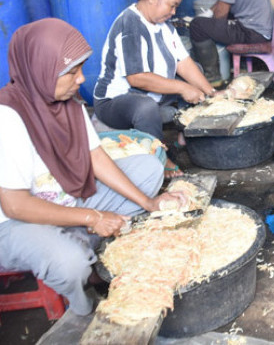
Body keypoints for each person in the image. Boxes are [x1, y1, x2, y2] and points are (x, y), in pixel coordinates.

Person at [0, 18, 184, 316]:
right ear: (41, 71)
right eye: (72, 72)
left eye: (81, 69)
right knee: (70, 264)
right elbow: (15, 206)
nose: (82, 79)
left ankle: (79, 234)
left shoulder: (67, 103)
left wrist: (149, 203)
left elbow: (96, 157)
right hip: (16, 223)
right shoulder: (8, 117)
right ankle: (82, 309)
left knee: (149, 169)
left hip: (66, 194)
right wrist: (93, 216)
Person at [93, 0, 217, 178]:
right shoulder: (130, 24)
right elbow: (137, 77)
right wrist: (182, 88)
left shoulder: (164, 25)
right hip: (115, 103)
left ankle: (184, 134)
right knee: (146, 107)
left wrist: (211, 92)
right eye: (172, 5)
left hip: (154, 96)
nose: (174, 11)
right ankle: (159, 157)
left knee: (196, 71)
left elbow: (183, 62)